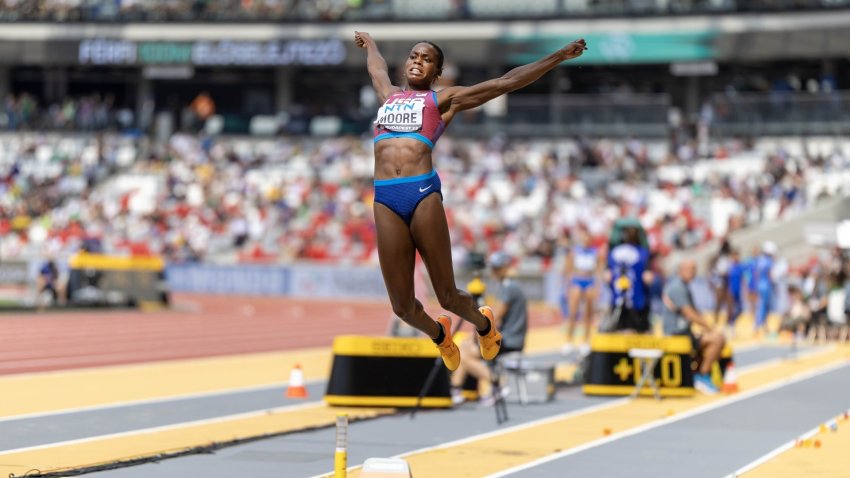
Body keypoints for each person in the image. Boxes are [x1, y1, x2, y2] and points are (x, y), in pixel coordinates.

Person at [354, 31, 587, 370]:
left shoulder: (443, 100)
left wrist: (558, 57)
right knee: (402, 308)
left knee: (447, 296)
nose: (417, 60)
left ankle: (485, 326)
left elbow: (504, 83)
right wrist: (371, 45)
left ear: (437, 73)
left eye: (426, 58)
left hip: (421, 193)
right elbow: (376, 69)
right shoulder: (388, 96)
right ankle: (439, 335)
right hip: (385, 197)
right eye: (413, 56)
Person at [450, 251, 528, 404]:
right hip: (510, 337)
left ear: (506, 267)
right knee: (465, 347)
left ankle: (497, 383)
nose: (494, 272)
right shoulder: (511, 286)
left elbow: (493, 318)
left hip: (510, 340)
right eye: (493, 268)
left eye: (497, 268)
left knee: (464, 354)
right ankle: (456, 388)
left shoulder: (509, 287)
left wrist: (476, 337)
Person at [662, 260, 727, 395]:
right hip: (677, 334)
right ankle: (702, 375)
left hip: (683, 333)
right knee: (718, 339)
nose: (693, 273)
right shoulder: (678, 288)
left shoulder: (683, 286)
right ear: (681, 269)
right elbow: (690, 313)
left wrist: (706, 326)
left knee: (712, 339)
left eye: (694, 269)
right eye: (689, 269)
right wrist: (710, 328)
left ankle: (698, 374)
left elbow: (695, 312)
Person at [562, 228, 602, 356]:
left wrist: (597, 287)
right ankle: (569, 340)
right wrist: (568, 286)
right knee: (573, 313)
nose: (585, 240)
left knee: (588, 314)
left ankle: (585, 340)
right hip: (577, 280)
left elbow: (598, 271)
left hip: (589, 280)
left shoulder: (595, 252)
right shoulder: (575, 252)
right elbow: (568, 269)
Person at [606, 225, 653, 333]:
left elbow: (647, 274)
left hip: (635, 292)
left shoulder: (642, 252)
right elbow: (608, 272)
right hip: (622, 291)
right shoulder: (616, 251)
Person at [754, 241, 777, 336]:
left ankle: (761, 325)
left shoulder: (760, 260)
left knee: (761, 305)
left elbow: (756, 274)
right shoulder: (769, 261)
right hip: (766, 286)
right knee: (764, 306)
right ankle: (760, 325)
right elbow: (771, 275)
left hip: (760, 285)